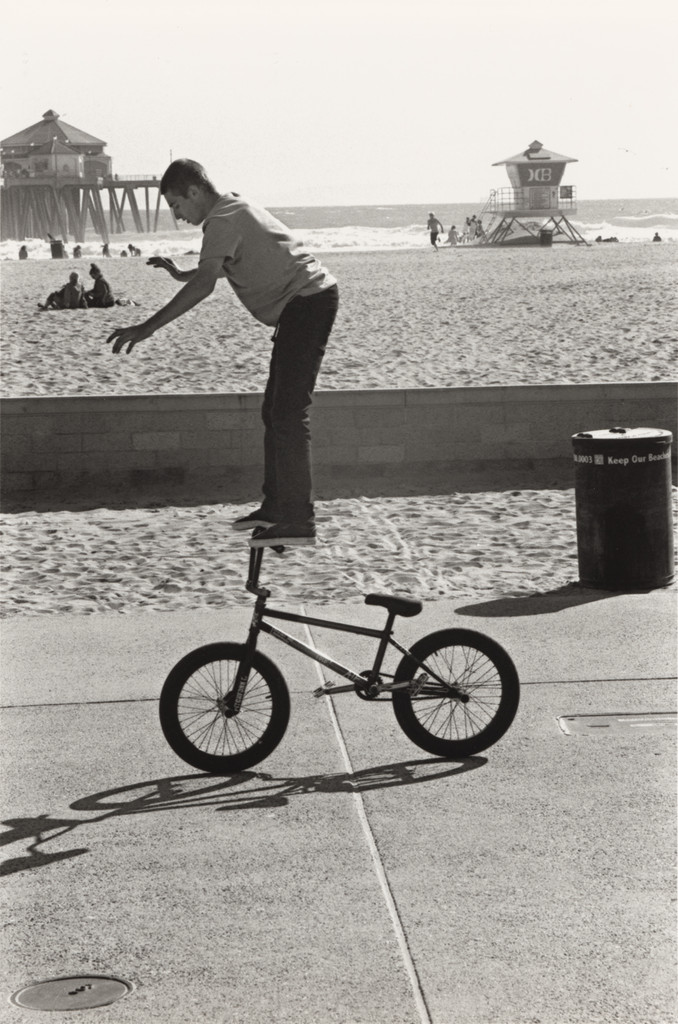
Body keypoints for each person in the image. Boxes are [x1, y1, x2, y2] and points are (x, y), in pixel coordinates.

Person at [105, 158, 339, 549]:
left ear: (194, 192)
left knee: (288, 413)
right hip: (305, 302)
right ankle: (276, 506)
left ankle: (298, 519)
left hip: (308, 302)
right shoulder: (231, 206)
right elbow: (217, 266)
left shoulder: (222, 220)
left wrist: (146, 328)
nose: (178, 217)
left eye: (177, 206)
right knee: (274, 410)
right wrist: (180, 272)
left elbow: (204, 287)